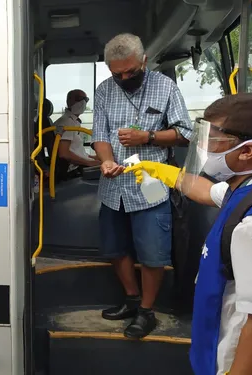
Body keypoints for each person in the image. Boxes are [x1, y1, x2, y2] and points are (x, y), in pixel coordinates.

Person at [125, 93, 252, 374]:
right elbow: (207, 191)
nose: (205, 147)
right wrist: (165, 173)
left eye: (214, 140)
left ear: (247, 151)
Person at [91, 32, 193, 338]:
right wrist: (106, 161)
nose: (124, 78)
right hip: (114, 187)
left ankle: (147, 312)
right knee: (114, 248)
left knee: (153, 252)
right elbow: (100, 135)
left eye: (131, 72)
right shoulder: (104, 91)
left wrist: (147, 137)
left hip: (151, 184)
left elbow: (186, 133)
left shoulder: (165, 87)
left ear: (144, 61)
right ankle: (132, 300)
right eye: (117, 73)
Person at [54, 89, 100, 175]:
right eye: (78, 98)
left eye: (85, 99)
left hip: (79, 165)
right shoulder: (67, 122)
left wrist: (95, 158)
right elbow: (64, 153)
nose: (82, 102)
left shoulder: (74, 122)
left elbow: (76, 151)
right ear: (69, 101)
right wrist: (89, 163)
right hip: (75, 169)